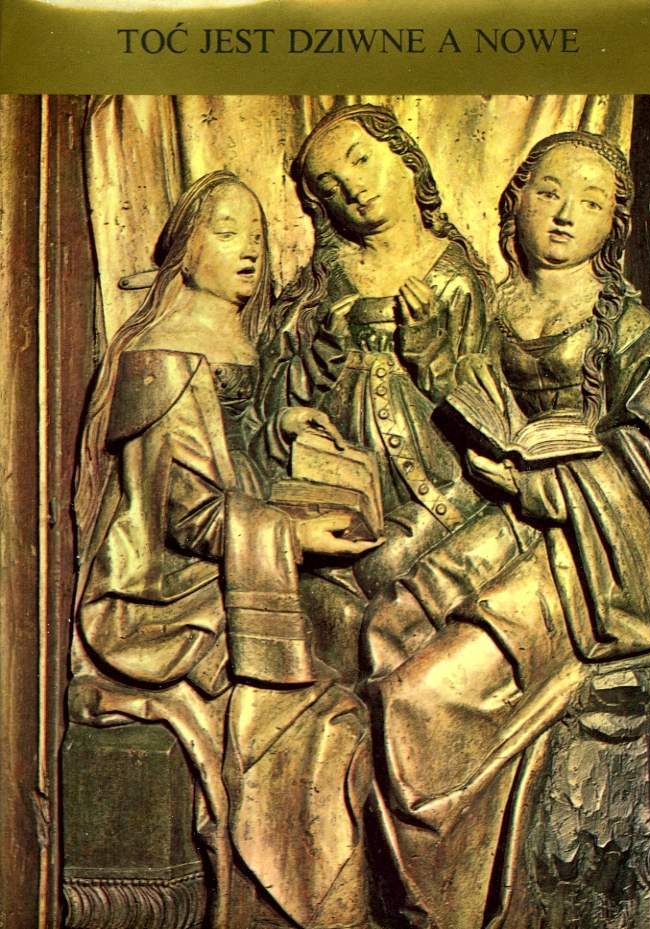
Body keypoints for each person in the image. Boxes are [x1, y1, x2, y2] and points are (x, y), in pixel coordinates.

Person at [363, 132, 650, 929]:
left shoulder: (626, 328)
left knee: (420, 694)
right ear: (517, 198)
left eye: (591, 201)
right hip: (502, 516)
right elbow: (474, 415)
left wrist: (545, 481)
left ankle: (442, 902)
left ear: (614, 224)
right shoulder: (493, 306)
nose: (565, 214)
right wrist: (432, 361)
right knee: (386, 622)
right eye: (548, 192)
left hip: (590, 551)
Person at [68, 171, 379, 929]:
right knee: (329, 720)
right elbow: (182, 514)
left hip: (226, 559)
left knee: (358, 618)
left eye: (258, 235)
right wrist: (292, 535)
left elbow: (230, 453)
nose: (250, 250)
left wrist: (282, 429)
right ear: (186, 248)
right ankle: (291, 907)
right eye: (229, 230)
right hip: (160, 592)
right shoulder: (163, 353)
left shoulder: (230, 336)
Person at [250, 104, 494, 684]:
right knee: (325, 601)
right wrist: (315, 364)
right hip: (330, 487)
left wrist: (428, 347)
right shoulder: (322, 283)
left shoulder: (455, 277)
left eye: (360, 161)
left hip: (430, 486)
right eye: (330, 187)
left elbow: (483, 406)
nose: (353, 188)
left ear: (407, 161)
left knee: (392, 588)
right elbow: (271, 391)